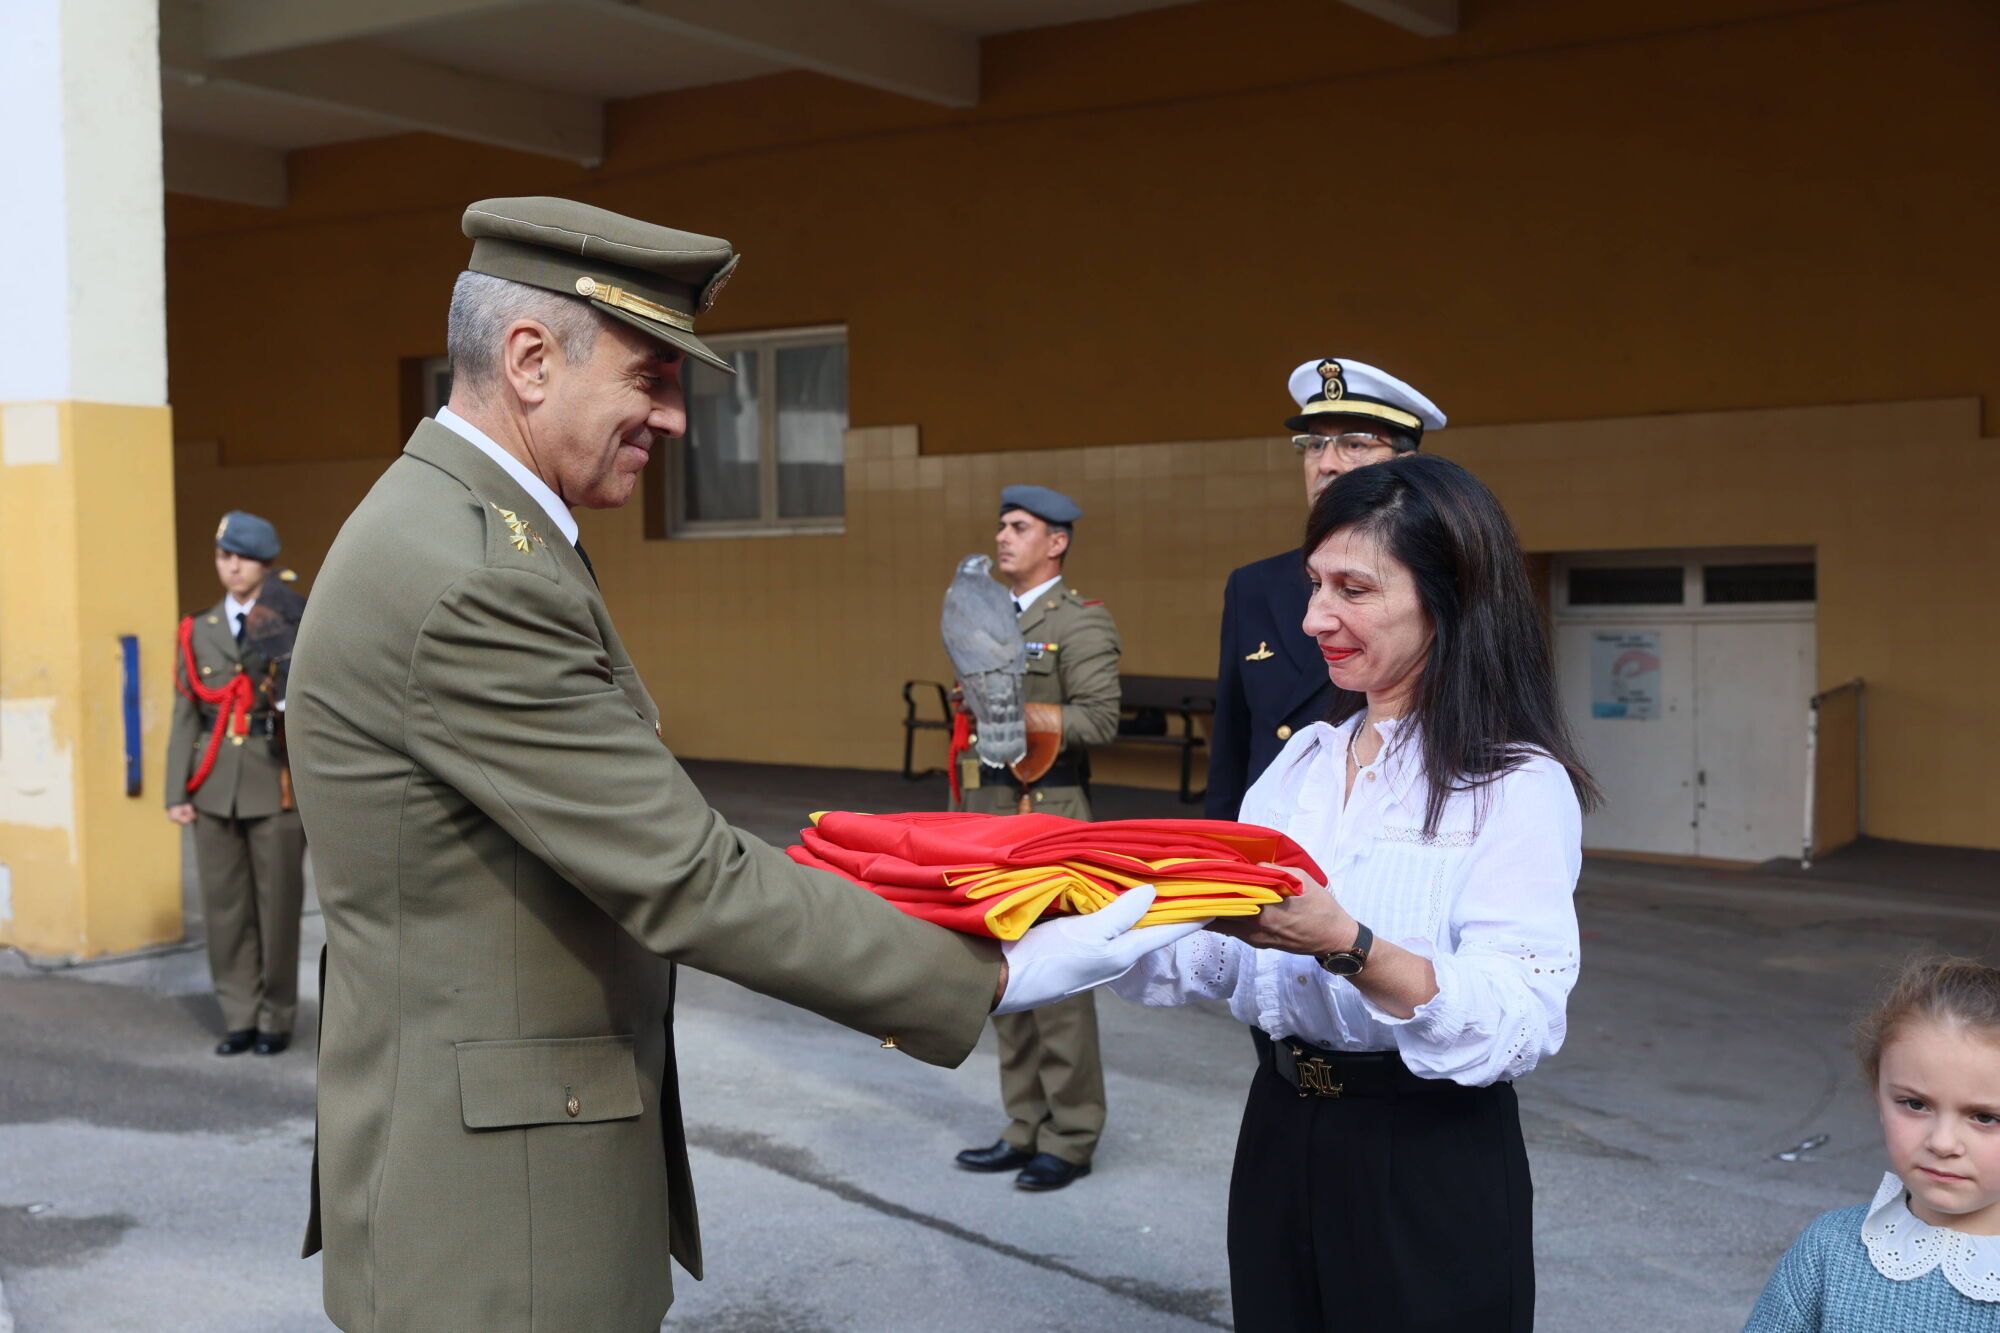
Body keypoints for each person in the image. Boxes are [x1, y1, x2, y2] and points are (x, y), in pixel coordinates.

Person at [285, 197, 1196, 1333]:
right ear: (528, 360)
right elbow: (688, 873)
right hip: (499, 1218)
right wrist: (987, 978)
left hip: (482, 1163)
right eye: (648, 377)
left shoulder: (456, 525)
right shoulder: (476, 572)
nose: (671, 419)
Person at [1114, 453, 1600, 1330]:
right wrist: (1058, 911)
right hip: (1279, 1130)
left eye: (1353, 588)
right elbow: (1216, 953)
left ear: (1447, 594)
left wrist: (1350, 942)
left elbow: (1518, 1017)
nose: (1314, 619)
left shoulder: (1514, 783)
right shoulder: (1301, 766)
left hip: (1426, 1151)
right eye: (1313, 585)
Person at [953, 484, 1122, 1192]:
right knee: (1003, 979)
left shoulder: (1079, 622)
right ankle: (1022, 1125)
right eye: (1000, 526)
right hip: (988, 815)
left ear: (1056, 542)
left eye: (1019, 527)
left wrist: (1017, 711)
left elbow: (1102, 719)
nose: (1002, 537)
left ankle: (1072, 1134)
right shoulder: (982, 612)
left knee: (1057, 986)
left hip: (1048, 817)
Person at [1205, 357, 1445, 820]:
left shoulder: (1435, 579)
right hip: (1272, 840)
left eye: (1354, 444)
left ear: (1406, 464)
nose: (1327, 464)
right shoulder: (1253, 585)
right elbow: (1232, 746)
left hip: (1392, 825)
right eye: (1314, 445)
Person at [1745, 957, 2000, 1331]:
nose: (1943, 1143)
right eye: (1915, 1104)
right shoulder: (1828, 1250)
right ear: (1878, 1097)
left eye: (1985, 1117)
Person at [164, 510, 308, 1057]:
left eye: (242, 558)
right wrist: (177, 791)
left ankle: (276, 1018)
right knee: (224, 909)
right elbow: (186, 714)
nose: (231, 566)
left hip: (275, 781)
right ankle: (238, 1016)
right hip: (214, 781)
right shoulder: (198, 629)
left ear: (264, 565)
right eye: (224, 556)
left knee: (278, 908)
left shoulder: (289, 619)